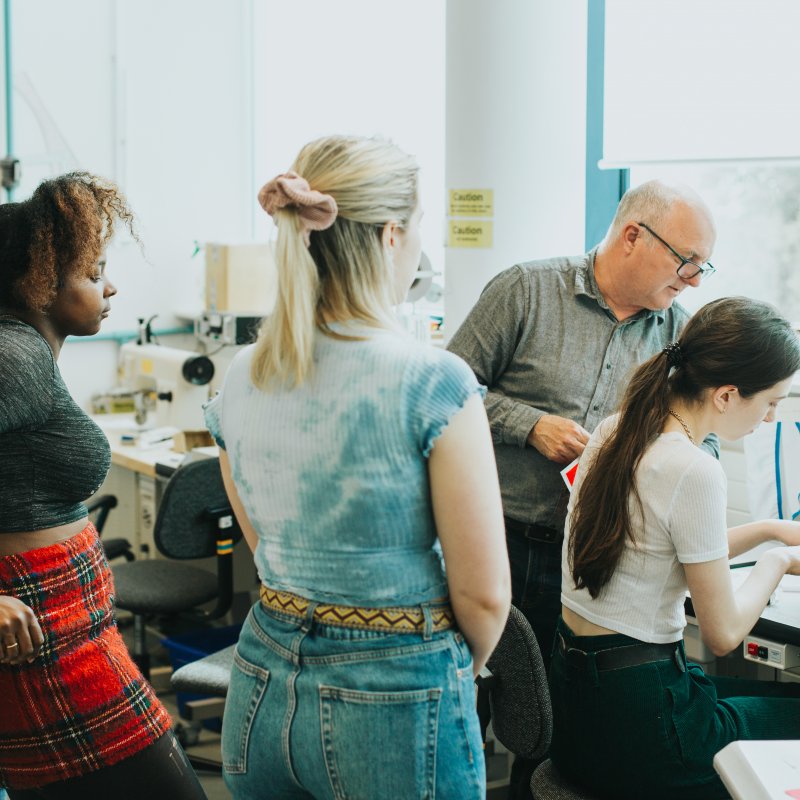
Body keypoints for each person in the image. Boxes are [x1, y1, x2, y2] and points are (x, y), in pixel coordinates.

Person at [204, 135, 510, 799]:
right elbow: (485, 596)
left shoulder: (242, 374)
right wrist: (446, 673)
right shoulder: (431, 379)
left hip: (261, 679)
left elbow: (260, 538)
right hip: (394, 692)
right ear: (392, 235)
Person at [447, 180, 719, 673]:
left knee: (566, 713)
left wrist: (663, 465)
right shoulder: (524, 290)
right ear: (633, 236)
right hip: (500, 539)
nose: (695, 280)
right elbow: (446, 392)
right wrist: (529, 425)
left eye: (704, 266)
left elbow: (708, 438)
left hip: (604, 558)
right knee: (474, 692)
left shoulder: (681, 333)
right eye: (688, 260)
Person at [0, 173, 207, 799]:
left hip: (70, 627)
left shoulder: (27, 353)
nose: (109, 286)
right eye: (93, 273)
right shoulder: (12, 357)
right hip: (44, 642)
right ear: (39, 280)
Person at [551, 296, 800, 800]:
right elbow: (724, 633)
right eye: (771, 401)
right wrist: (778, 561)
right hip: (645, 730)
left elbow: (663, 548)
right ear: (727, 395)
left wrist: (770, 529)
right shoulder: (694, 469)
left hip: (581, 714)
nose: (773, 417)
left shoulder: (617, 429)